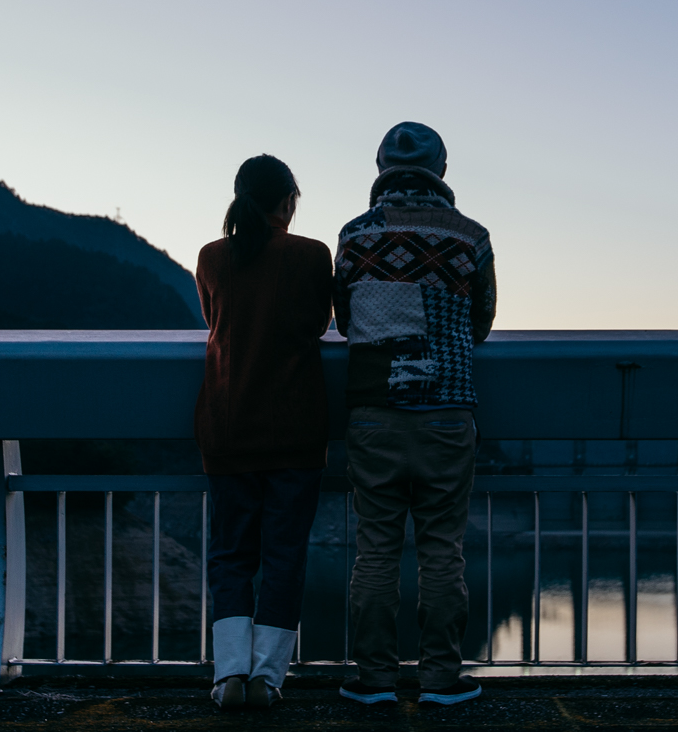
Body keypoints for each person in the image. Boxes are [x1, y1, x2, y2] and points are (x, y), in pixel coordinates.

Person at [333, 122, 496, 707]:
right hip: (448, 412)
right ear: (442, 171)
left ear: (380, 170)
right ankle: (440, 681)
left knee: (376, 549)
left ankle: (373, 681)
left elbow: (347, 321)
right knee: (441, 550)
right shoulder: (471, 236)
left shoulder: (354, 235)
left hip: (373, 412)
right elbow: (481, 321)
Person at [193, 154, 333, 710]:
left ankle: (228, 675)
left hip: (227, 426)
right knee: (283, 556)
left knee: (231, 556)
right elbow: (317, 324)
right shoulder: (311, 256)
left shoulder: (210, 258)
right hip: (295, 430)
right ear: (288, 201)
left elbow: (215, 320)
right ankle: (267, 679)